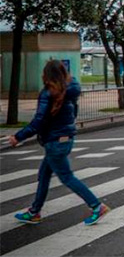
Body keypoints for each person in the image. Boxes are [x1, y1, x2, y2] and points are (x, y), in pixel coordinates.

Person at [8, 60, 110, 226]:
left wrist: (18, 137)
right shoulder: (70, 91)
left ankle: (96, 206)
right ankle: (34, 211)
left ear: (47, 75)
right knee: (44, 175)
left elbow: (38, 121)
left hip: (54, 142)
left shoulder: (49, 94)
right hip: (65, 138)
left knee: (67, 177)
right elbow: (73, 114)